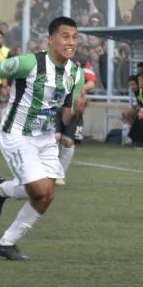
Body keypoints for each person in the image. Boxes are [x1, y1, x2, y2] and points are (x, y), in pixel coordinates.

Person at [0, 16, 87, 261]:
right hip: (16, 133)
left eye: (75, 37)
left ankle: (7, 242)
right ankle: (2, 189)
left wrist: (76, 109)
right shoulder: (29, 63)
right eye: (66, 36)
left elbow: (65, 119)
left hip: (45, 138)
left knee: (47, 195)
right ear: (51, 39)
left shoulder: (76, 74)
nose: (71, 42)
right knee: (39, 188)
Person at [53, 47, 96, 185]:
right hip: (54, 104)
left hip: (73, 105)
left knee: (68, 141)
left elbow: (91, 82)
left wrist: (82, 88)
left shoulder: (82, 59)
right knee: (54, 138)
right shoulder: (53, 56)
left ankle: (59, 174)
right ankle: (46, 172)